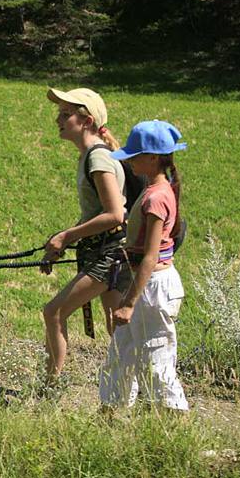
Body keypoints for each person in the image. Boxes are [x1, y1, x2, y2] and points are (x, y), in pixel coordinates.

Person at [41, 88, 132, 386]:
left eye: (66, 114)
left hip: (109, 255)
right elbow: (99, 213)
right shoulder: (90, 156)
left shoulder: (98, 159)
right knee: (116, 326)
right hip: (108, 251)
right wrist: (61, 240)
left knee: (54, 312)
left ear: (87, 121)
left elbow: (115, 214)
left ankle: (50, 386)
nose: (58, 119)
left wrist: (67, 236)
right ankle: (132, 388)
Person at [99, 120, 189, 411]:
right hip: (143, 284)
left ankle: (175, 424)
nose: (130, 161)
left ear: (153, 158)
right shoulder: (156, 188)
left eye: (135, 155)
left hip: (152, 288)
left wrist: (128, 303)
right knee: (121, 353)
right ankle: (109, 415)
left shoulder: (156, 198)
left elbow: (150, 256)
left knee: (156, 360)